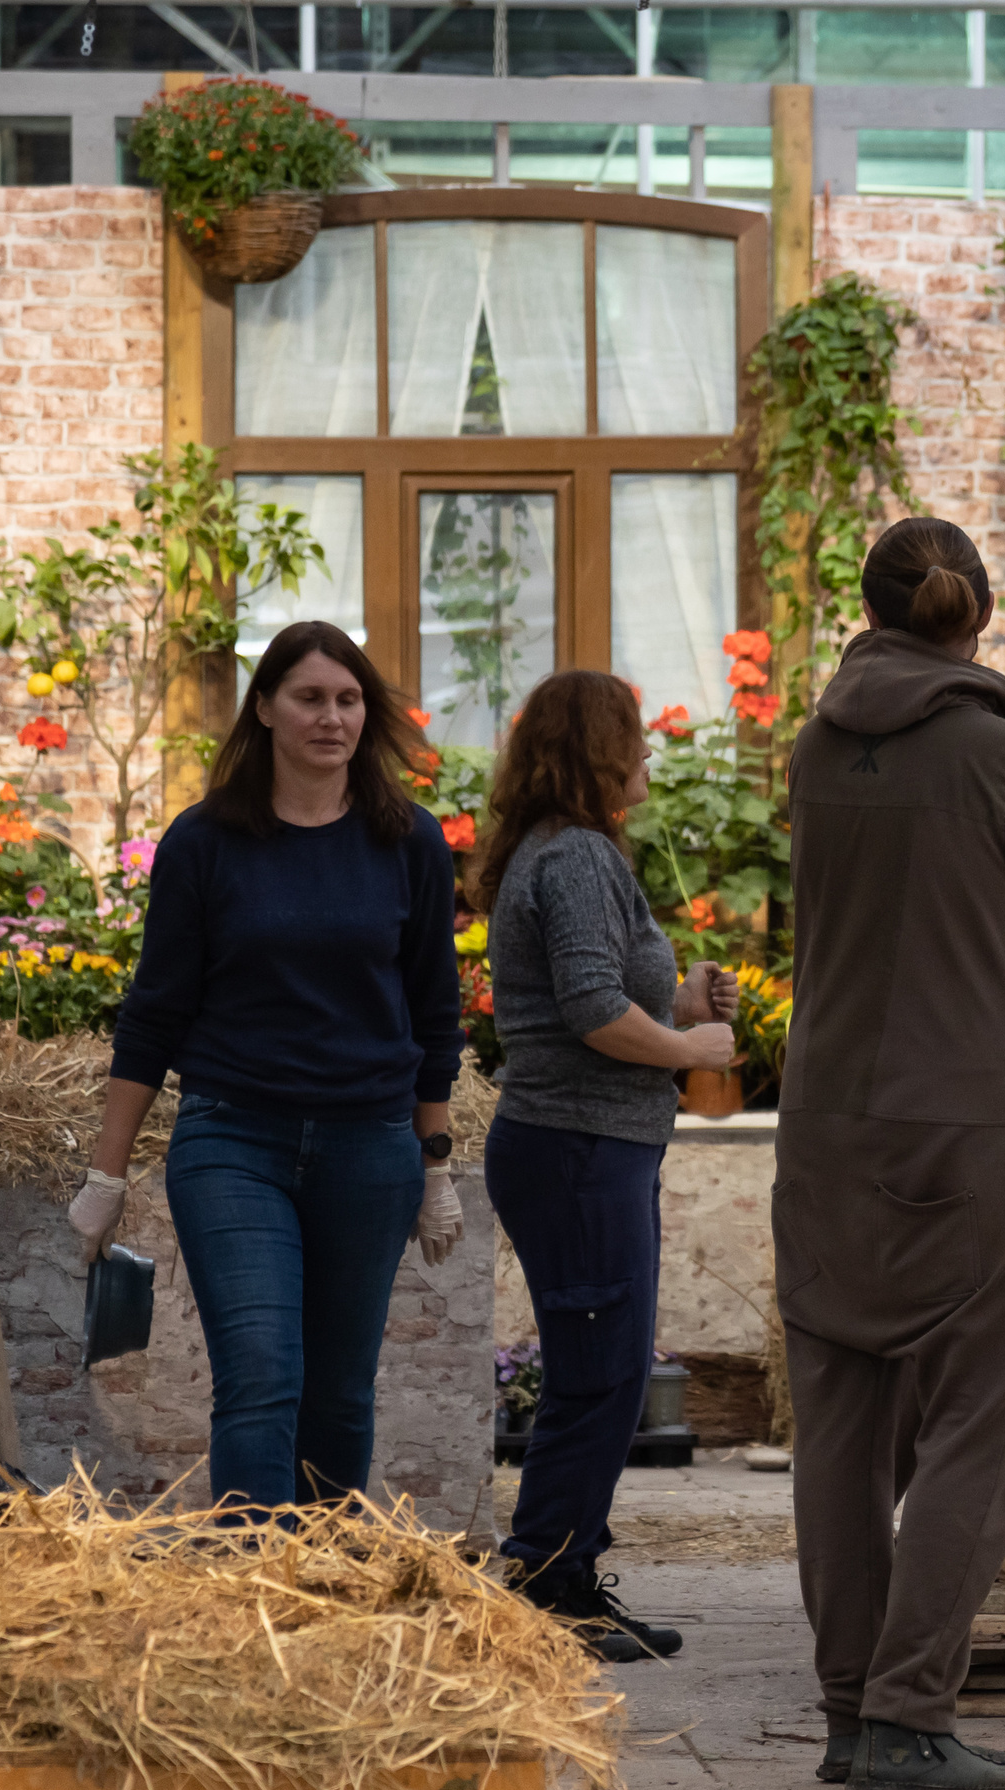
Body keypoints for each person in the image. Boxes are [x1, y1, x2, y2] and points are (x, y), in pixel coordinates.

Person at [774, 516, 1005, 1790]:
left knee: (840, 1434)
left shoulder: (815, 747)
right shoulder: (1003, 755)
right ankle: (913, 1717)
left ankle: (847, 1711)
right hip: (959, 1131)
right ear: (976, 611)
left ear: (871, 611)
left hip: (821, 1127)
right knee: (981, 1422)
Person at [68, 620, 467, 1513]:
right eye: (310, 697)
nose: (332, 717)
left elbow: (435, 1016)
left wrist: (435, 1165)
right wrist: (108, 1169)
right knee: (259, 1371)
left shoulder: (409, 843)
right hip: (232, 1140)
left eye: (349, 699)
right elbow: (154, 1014)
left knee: (338, 1390)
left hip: (370, 1149)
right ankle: (253, 1592)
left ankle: (322, 1587)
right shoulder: (206, 843)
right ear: (265, 707)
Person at [476, 669, 740, 1662]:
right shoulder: (577, 858)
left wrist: (674, 1005)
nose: (646, 754)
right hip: (578, 1148)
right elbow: (589, 1011)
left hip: (584, 1145)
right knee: (601, 1374)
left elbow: (584, 998)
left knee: (606, 1368)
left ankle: (566, 1570)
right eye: (632, 736)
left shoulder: (562, 854)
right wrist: (692, 1051)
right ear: (594, 750)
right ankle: (550, 1583)